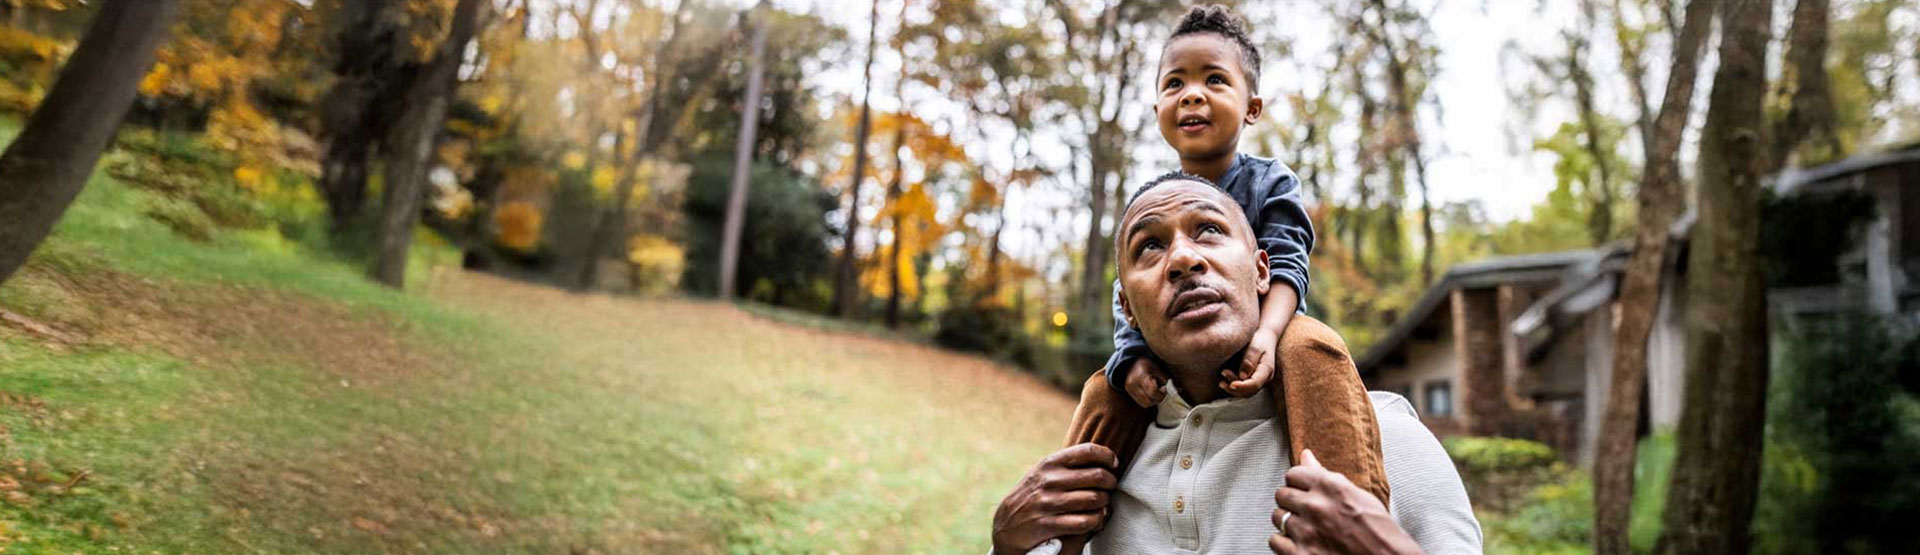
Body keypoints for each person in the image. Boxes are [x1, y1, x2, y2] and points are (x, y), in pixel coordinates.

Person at [992, 176, 1481, 554]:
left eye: (1208, 230)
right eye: (1150, 246)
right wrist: (1005, 546)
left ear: (1263, 271)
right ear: (1127, 308)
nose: (1184, 259)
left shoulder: (1390, 443)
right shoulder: (1090, 475)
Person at [1065, 4, 1388, 541]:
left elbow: (1287, 261)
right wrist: (1131, 355)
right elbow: (1133, 292)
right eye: (1175, 83)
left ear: (1252, 106)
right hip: (1177, 339)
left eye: (1214, 79)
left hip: (1275, 320)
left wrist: (1266, 333)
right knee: (1105, 389)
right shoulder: (1150, 203)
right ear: (1159, 110)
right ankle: (1062, 530)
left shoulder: (1269, 182)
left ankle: (1345, 523)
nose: (1192, 94)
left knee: (1312, 350)